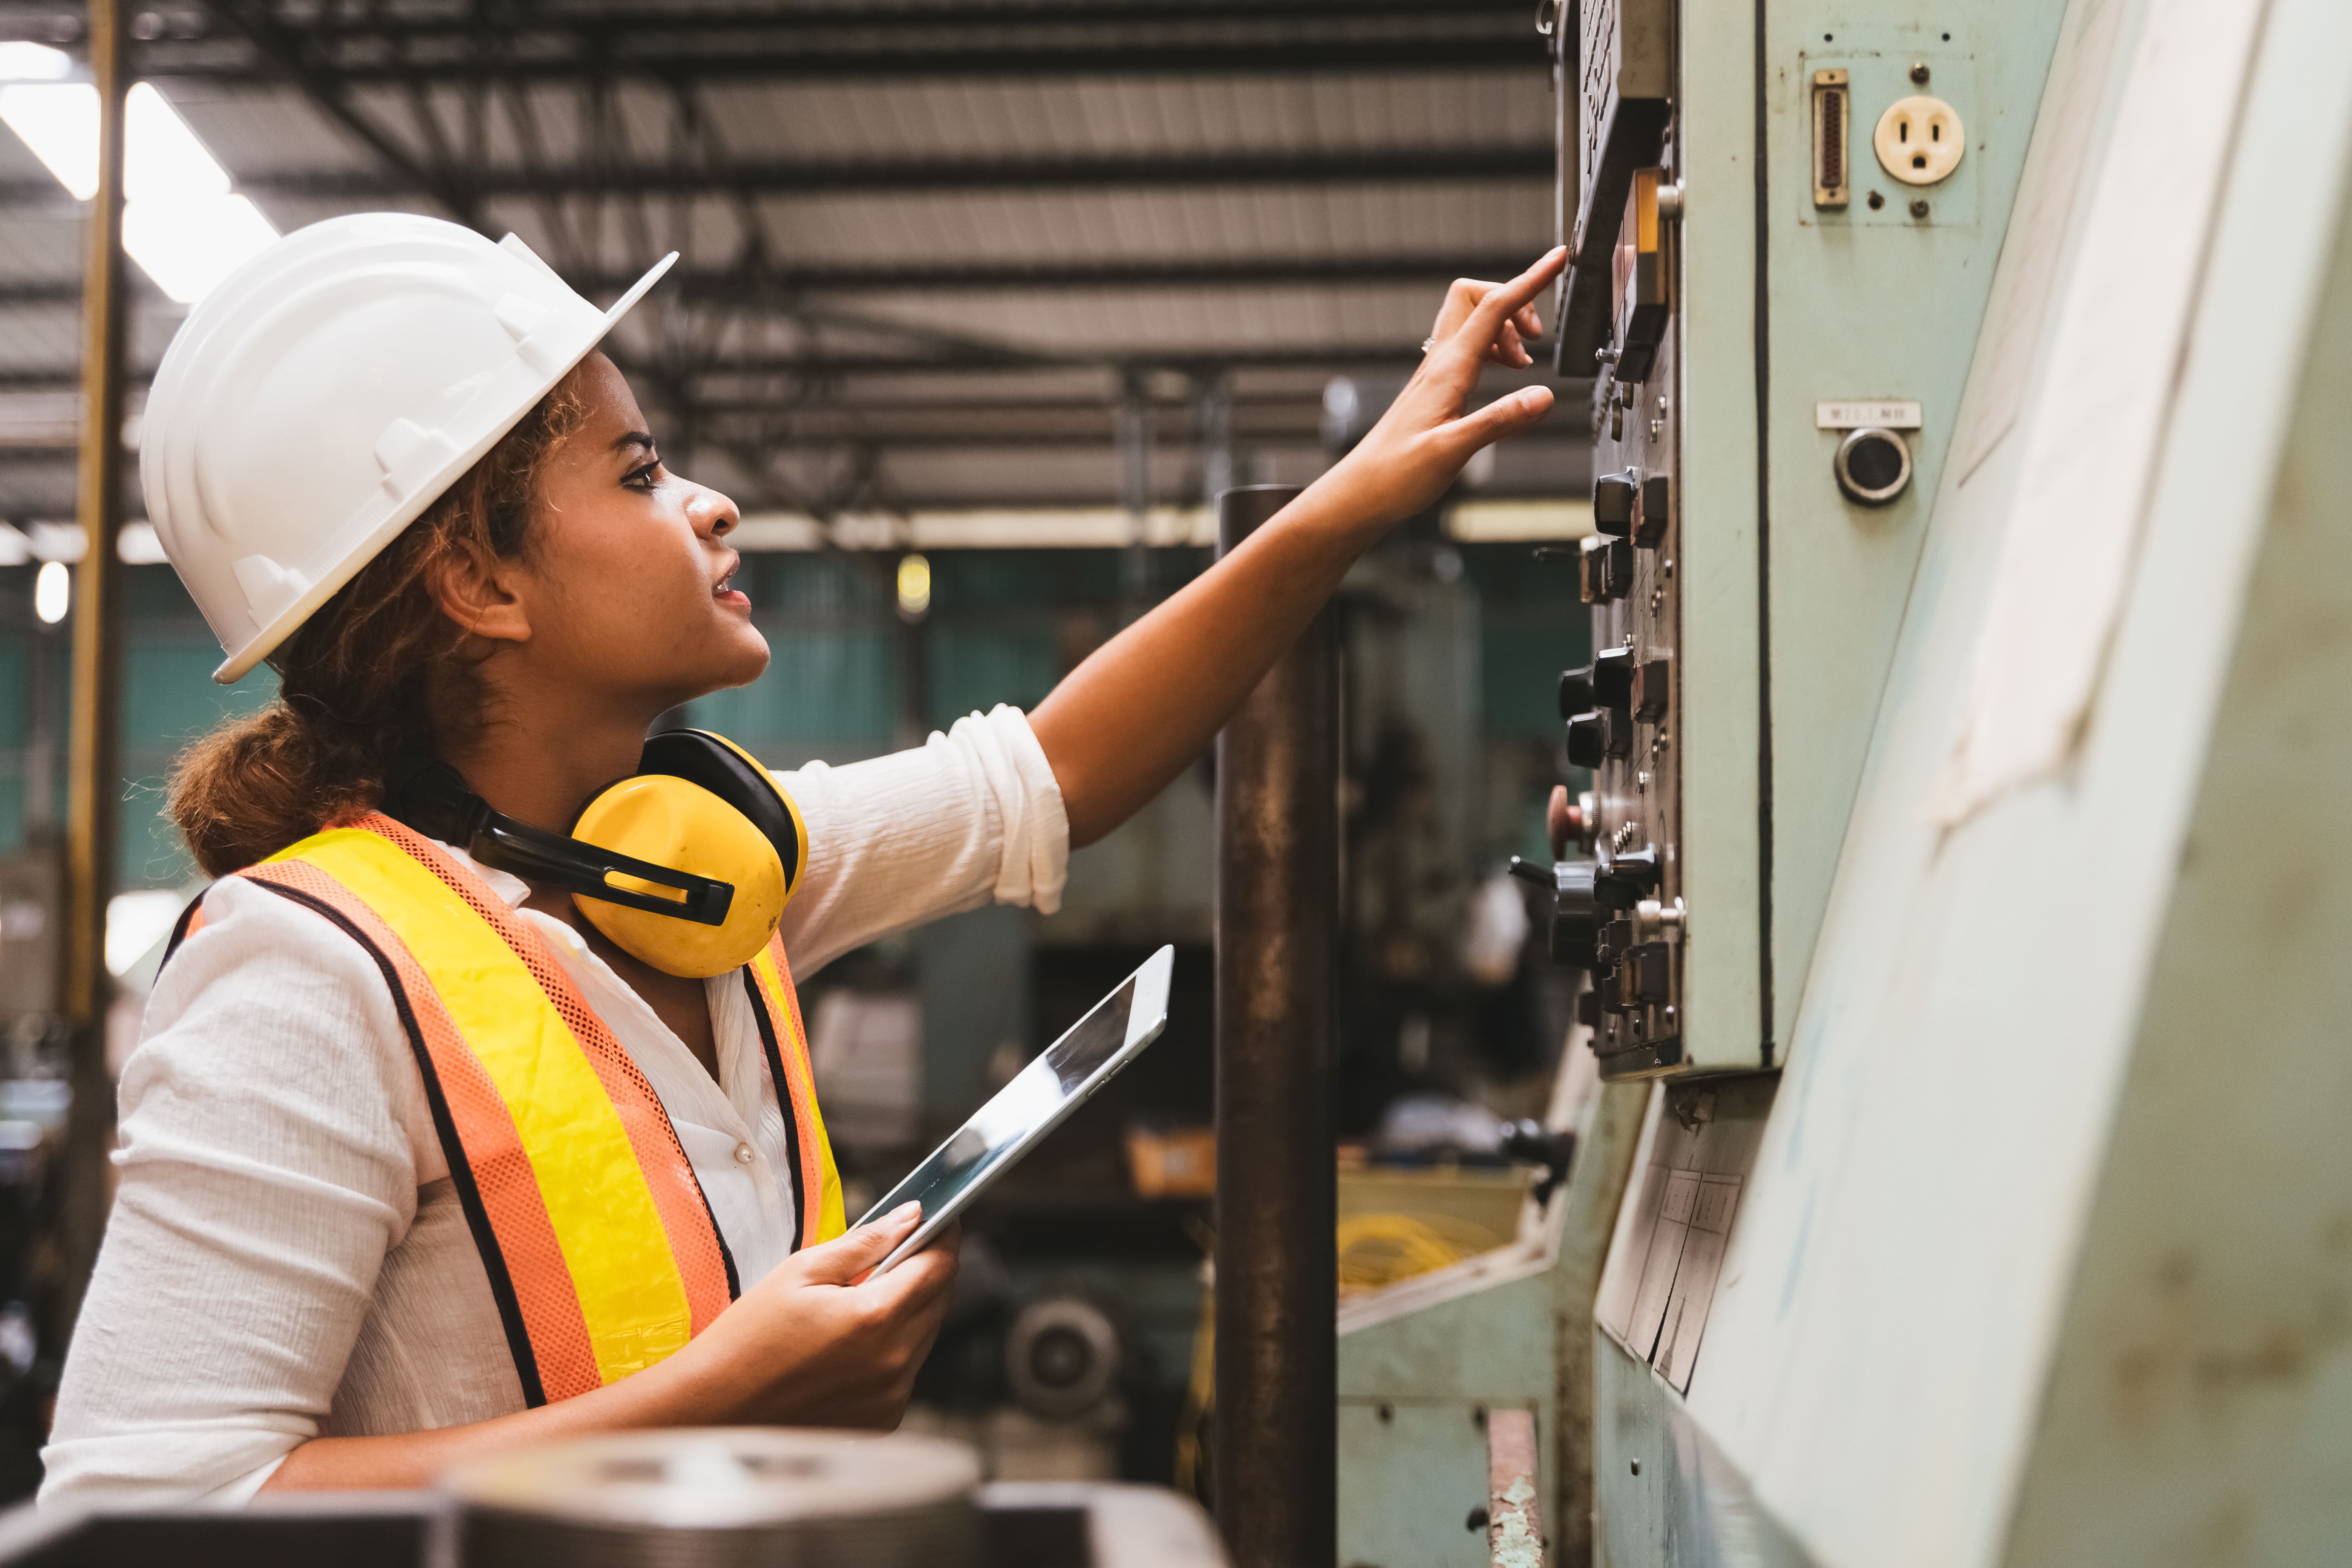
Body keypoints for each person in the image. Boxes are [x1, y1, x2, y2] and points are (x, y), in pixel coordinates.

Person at [39, 213, 1564, 1505]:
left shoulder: (710, 870)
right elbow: (147, 1508)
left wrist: (1355, 493)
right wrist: (714, 1399)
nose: (710, 501)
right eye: (638, 475)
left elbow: (1050, 771)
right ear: (476, 579)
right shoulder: (302, 971)